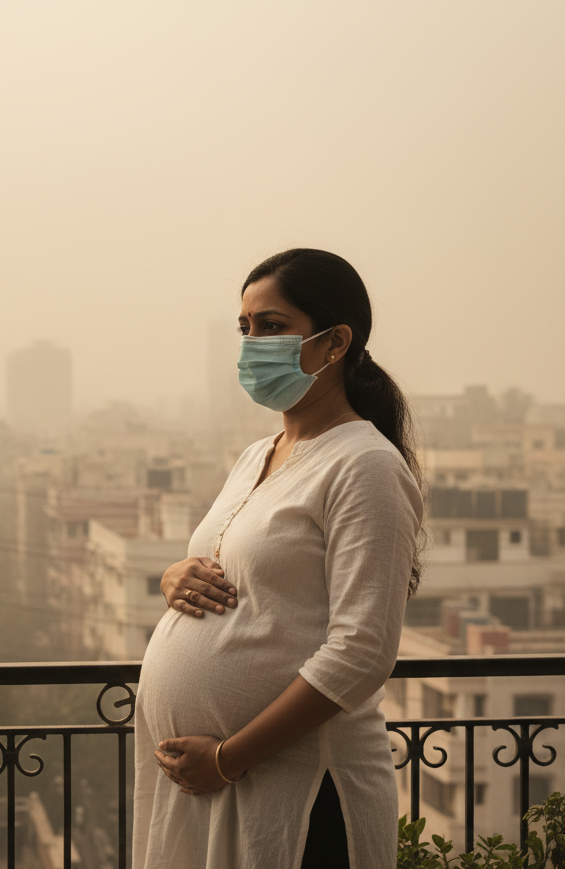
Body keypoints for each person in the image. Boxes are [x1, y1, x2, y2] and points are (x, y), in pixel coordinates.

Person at [132, 249, 425, 869]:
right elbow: (234, 563)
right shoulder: (256, 454)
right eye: (244, 328)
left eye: (271, 326)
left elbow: (361, 652)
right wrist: (172, 577)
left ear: (335, 342)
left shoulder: (364, 466)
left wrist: (228, 757)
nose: (251, 344)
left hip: (301, 788)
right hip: (214, 783)